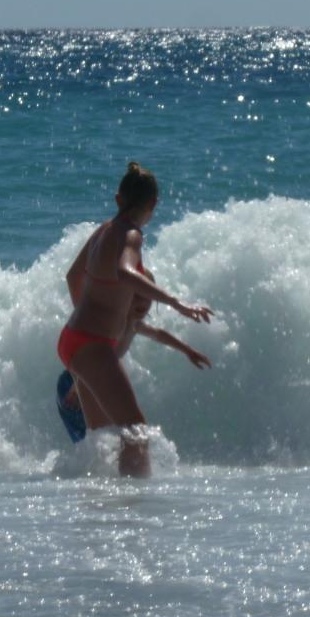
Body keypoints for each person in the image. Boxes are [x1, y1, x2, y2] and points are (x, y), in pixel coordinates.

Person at [57, 162, 213, 476]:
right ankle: (135, 501)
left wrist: (87, 315)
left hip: (72, 339)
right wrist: (177, 303)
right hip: (92, 345)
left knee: (102, 440)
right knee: (136, 431)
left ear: (119, 199)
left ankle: (96, 498)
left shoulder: (103, 230)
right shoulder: (131, 235)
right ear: (153, 205)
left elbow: (73, 275)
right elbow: (125, 272)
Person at [57, 265, 211, 442]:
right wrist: (76, 388)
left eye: (147, 297)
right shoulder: (113, 325)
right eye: (136, 295)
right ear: (123, 297)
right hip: (74, 384)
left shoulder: (134, 324)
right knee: (97, 439)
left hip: (90, 382)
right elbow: (87, 357)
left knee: (104, 438)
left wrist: (188, 350)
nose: (142, 302)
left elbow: (158, 334)